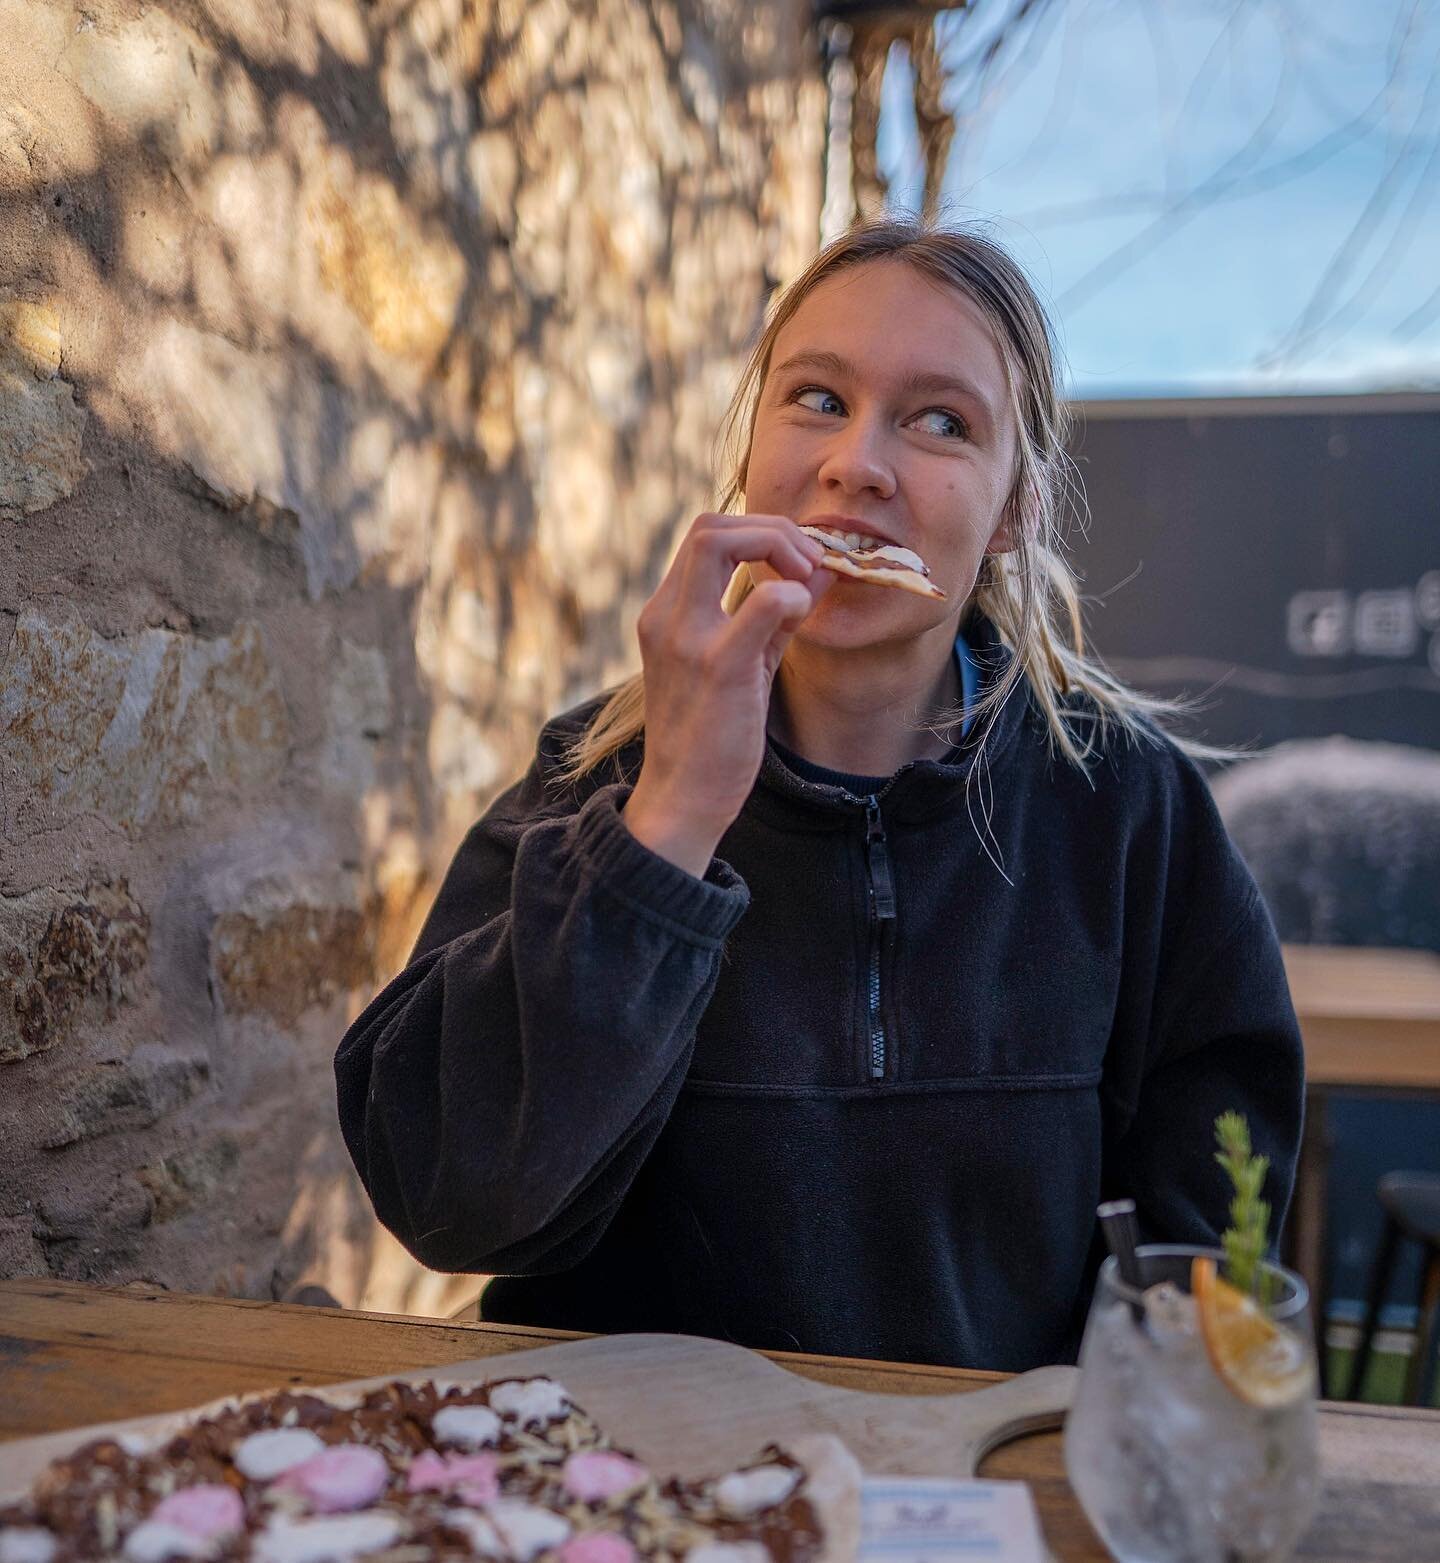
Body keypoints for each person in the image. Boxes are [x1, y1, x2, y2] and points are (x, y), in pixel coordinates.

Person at [335, 220, 1304, 1371]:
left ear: (1012, 512)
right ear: (753, 452)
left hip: (978, 1506)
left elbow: (1205, 1239)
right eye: (816, 399)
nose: (859, 464)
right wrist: (669, 825)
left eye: (942, 420)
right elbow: (448, 1200)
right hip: (648, 1503)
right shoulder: (593, 780)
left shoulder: (1127, 803)